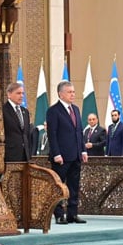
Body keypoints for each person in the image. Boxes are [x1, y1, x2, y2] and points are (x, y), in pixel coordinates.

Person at [47, 80, 88, 224]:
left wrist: (83, 150)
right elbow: (52, 134)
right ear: (61, 94)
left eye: (73, 92)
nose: (73, 94)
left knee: (74, 186)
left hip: (76, 155)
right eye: (69, 92)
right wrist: (57, 154)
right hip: (61, 157)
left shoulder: (76, 109)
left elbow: (79, 132)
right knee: (59, 186)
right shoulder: (53, 111)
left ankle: (72, 214)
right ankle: (59, 214)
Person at [2, 82, 31, 162]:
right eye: (18, 93)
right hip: (10, 155)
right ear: (9, 94)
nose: (21, 96)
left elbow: (26, 133)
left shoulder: (25, 111)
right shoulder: (2, 111)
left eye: (23, 93)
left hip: (25, 155)